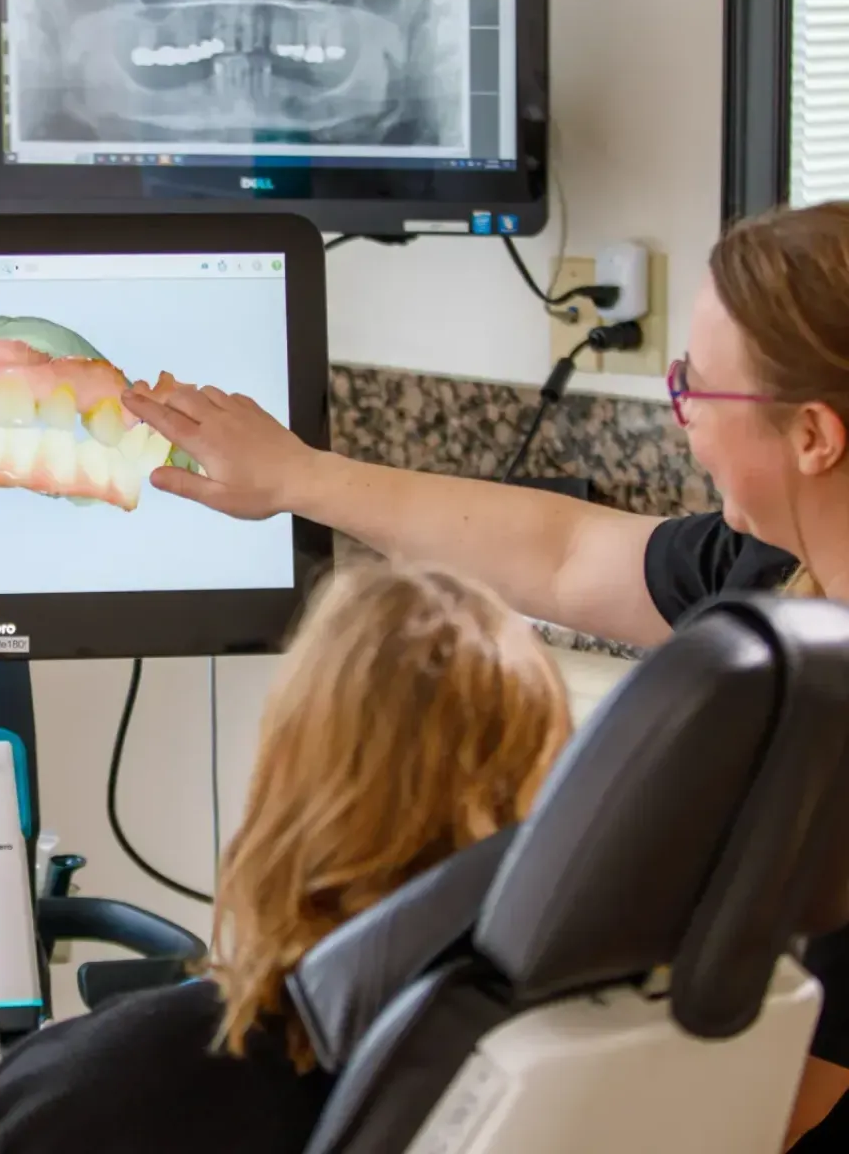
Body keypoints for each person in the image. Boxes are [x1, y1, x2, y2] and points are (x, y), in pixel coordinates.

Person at [120, 199, 849, 1149]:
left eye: (697, 394)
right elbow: (564, 555)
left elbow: (797, 1100)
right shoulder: (773, 570)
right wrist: (295, 478)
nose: (682, 423)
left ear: (812, 437)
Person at [0, 561, 573, 1154]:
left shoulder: (150, 1070)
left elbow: (102, 1116)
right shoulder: (531, 1056)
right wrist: (0, 1124)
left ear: (291, 789)